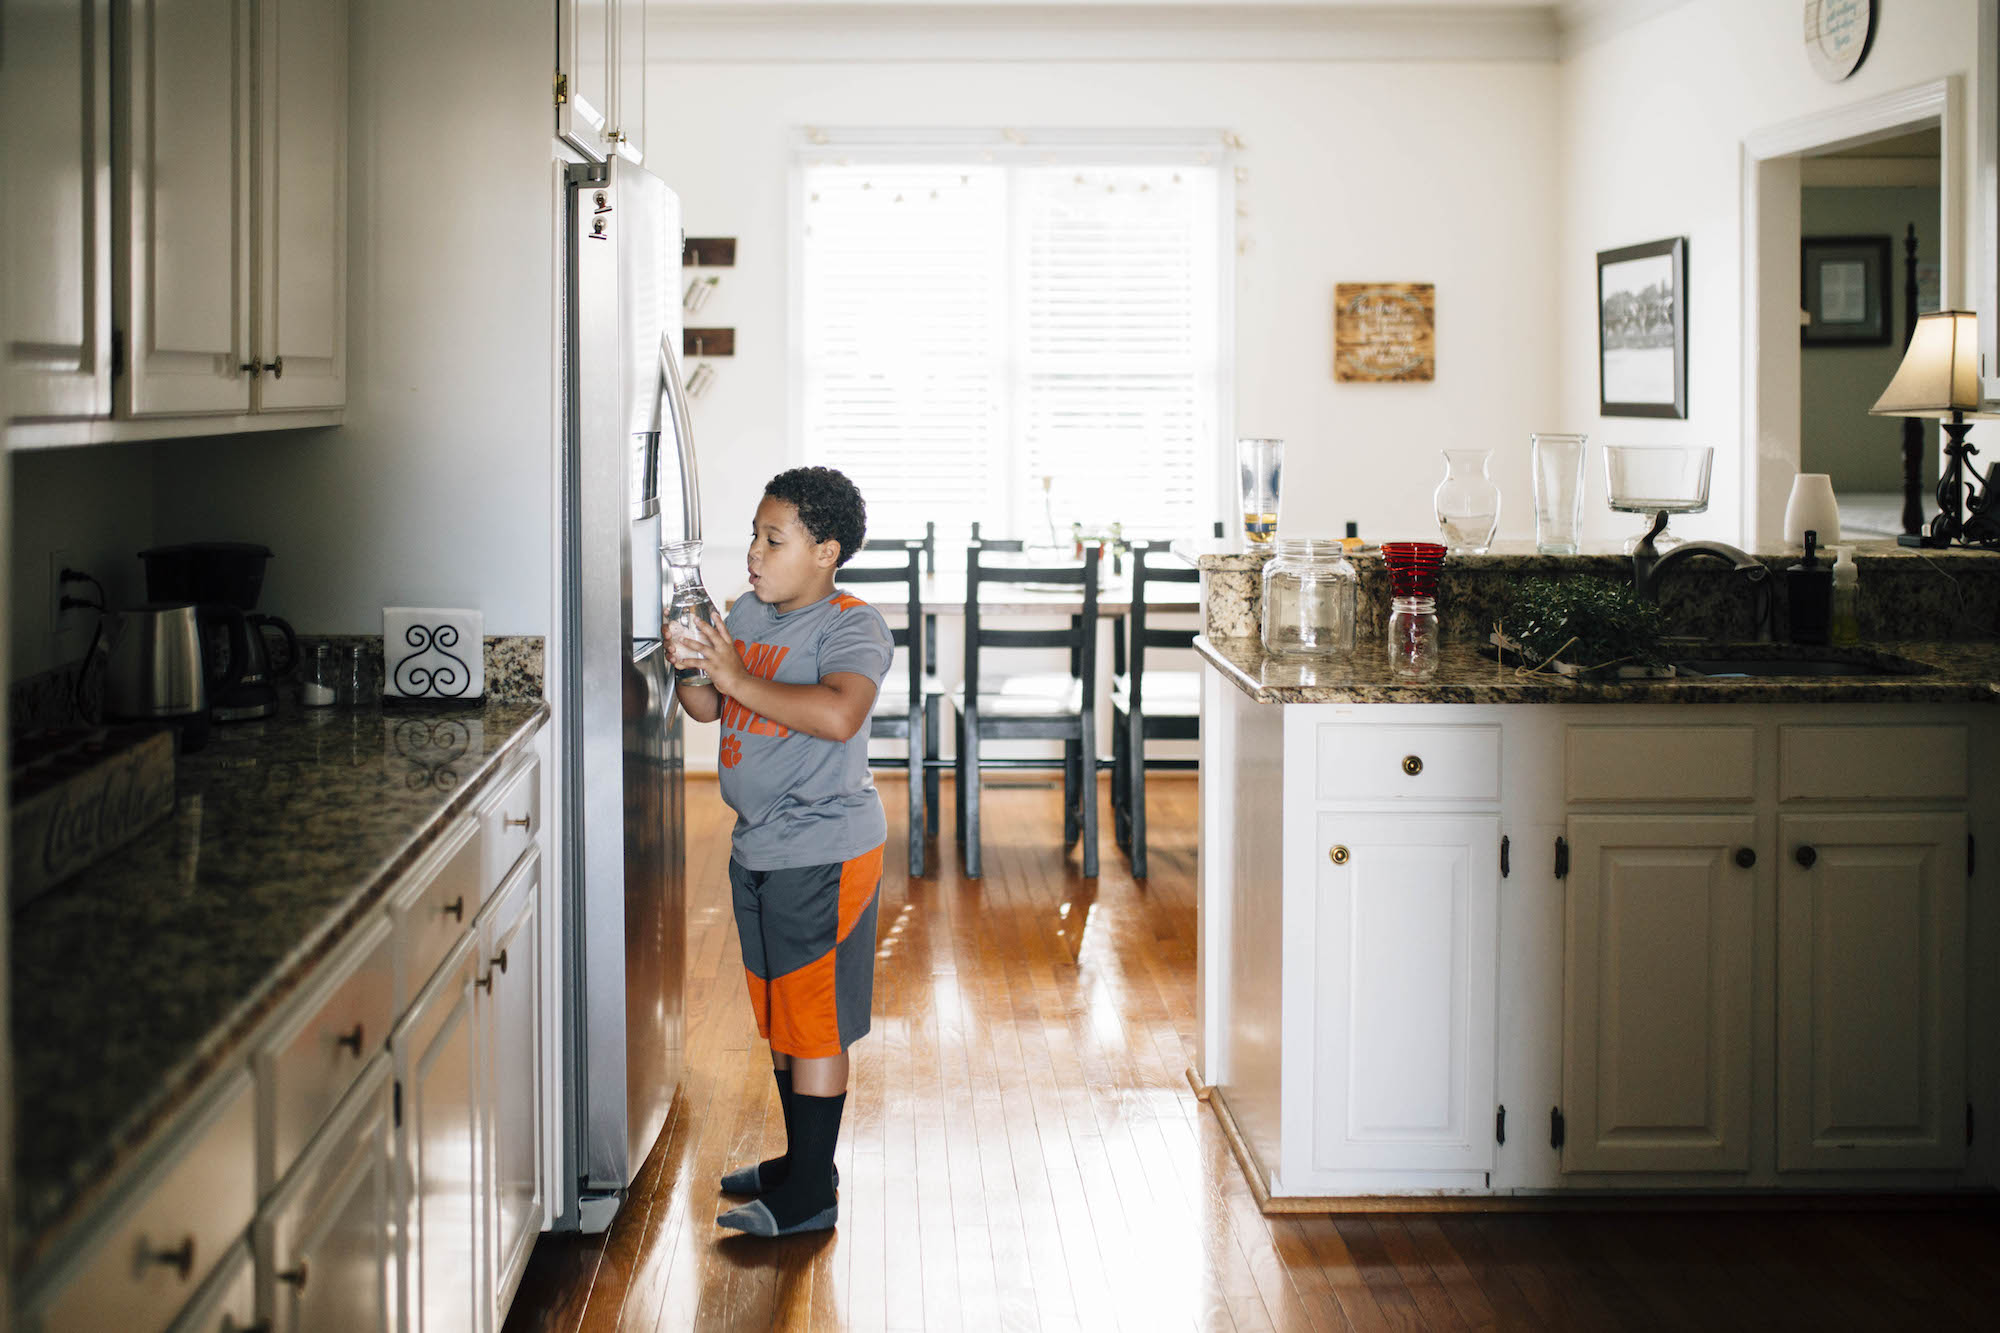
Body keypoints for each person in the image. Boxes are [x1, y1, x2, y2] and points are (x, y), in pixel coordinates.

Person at [666, 465, 894, 1238]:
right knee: (780, 1014)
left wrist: (730, 670)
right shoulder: (747, 614)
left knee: (815, 1020)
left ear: (825, 551)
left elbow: (836, 715)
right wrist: (693, 666)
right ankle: (802, 1164)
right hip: (759, 844)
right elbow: (709, 707)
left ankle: (813, 1197)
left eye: (774, 538)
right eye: (754, 537)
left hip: (825, 848)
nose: (755, 554)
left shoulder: (853, 625)